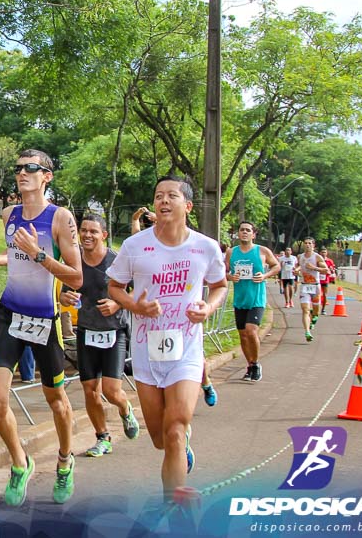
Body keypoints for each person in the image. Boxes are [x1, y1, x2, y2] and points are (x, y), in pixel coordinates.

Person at [107, 176, 227, 500]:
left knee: (174, 431)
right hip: (147, 351)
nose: (163, 201)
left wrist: (209, 307)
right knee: (160, 438)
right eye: (158, 195)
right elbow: (114, 287)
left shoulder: (205, 247)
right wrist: (136, 306)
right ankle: (180, 444)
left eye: (171, 196)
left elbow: (220, 285)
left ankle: (174, 510)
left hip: (186, 349)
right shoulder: (135, 246)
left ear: (187, 205)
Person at [0, 149, 83, 506]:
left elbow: (77, 276)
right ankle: (20, 463)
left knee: (56, 401)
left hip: (44, 319)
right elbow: (18, 253)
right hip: (10, 314)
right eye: (19, 168)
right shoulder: (9, 213)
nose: (22, 173)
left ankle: (65, 461)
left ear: (46, 176)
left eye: (31, 168)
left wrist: (40, 254)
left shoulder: (60, 218)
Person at [60, 213, 140, 458]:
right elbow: (63, 293)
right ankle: (102, 437)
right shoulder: (74, 262)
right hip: (87, 332)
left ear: (104, 235)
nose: (87, 235)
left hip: (114, 331)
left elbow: (138, 292)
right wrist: (65, 298)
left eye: (93, 231)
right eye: (83, 230)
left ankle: (125, 409)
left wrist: (118, 304)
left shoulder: (117, 261)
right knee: (90, 389)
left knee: (111, 390)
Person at [132, 206, 216, 406]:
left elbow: (217, 283)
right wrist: (136, 218)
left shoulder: (192, 245)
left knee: (195, 362)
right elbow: (135, 236)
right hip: (154, 329)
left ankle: (205, 383)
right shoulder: (142, 245)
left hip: (182, 324)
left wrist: (207, 307)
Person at [225, 222, 280, 383]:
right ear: (238, 234)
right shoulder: (231, 252)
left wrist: (264, 275)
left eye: (248, 230)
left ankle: (255, 364)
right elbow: (224, 269)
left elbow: (276, 266)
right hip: (240, 299)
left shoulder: (261, 251)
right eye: (242, 230)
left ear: (253, 234)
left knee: (251, 331)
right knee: (243, 335)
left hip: (257, 298)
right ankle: (249, 365)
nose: (244, 233)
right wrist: (230, 277)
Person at [297, 238, 327, 342]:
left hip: (315, 286)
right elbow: (298, 266)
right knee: (305, 310)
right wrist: (296, 271)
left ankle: (314, 318)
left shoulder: (317, 257)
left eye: (310, 243)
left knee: (315, 311)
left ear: (313, 245)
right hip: (305, 286)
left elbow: (326, 270)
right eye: (305, 243)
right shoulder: (300, 256)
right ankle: (307, 332)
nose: (307, 245)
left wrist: (314, 268)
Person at [318, 247, 337, 313]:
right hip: (317, 279)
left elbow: (333, 270)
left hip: (325, 279)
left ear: (327, 253)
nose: (323, 254)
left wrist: (332, 271)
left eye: (325, 252)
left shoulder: (329, 261)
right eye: (322, 252)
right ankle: (315, 307)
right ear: (320, 253)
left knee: (325, 294)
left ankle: (323, 309)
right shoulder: (317, 260)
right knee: (316, 294)